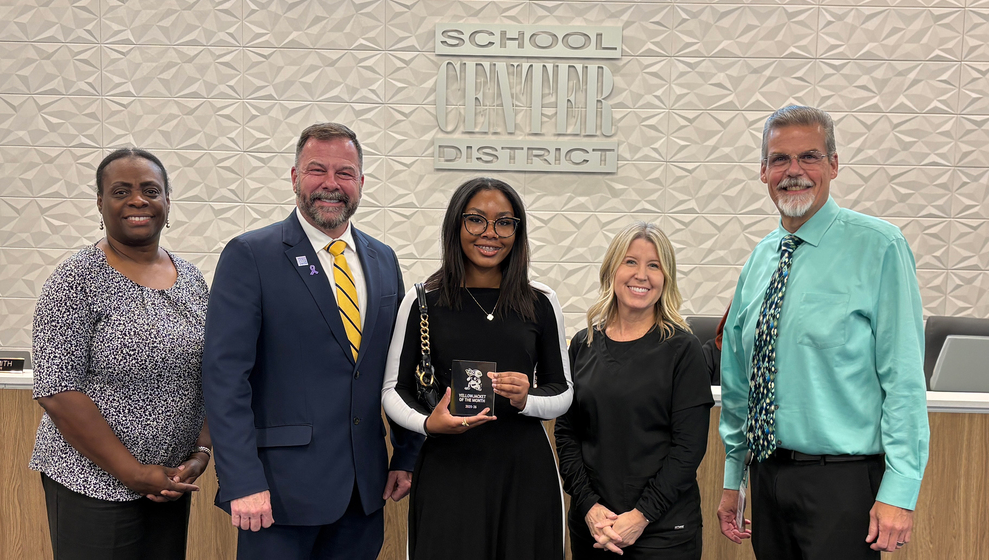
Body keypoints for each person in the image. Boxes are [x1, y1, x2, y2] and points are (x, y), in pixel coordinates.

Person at [716, 105, 930, 559]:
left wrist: (901, 490)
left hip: (844, 485)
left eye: (809, 156)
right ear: (763, 171)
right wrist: (734, 478)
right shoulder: (760, 258)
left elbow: (905, 381)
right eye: (779, 159)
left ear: (833, 165)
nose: (794, 172)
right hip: (768, 479)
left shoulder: (879, 247)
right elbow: (739, 382)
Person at [202, 122, 423, 560]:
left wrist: (405, 454)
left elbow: (396, 370)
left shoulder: (383, 260)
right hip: (277, 496)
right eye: (316, 170)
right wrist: (242, 480)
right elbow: (225, 378)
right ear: (294, 177)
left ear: (361, 182)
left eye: (344, 173)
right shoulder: (251, 255)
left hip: (363, 493)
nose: (330, 184)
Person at [30, 148, 211, 560]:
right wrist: (132, 473)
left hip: (168, 483)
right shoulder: (75, 280)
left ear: (168, 201)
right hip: (91, 484)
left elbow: (209, 371)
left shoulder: (192, 279)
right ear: (100, 202)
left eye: (151, 190)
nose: (138, 200)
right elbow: (57, 390)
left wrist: (200, 452)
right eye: (121, 191)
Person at [382, 177, 573, 560]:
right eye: (476, 220)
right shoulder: (423, 301)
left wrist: (527, 399)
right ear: (456, 225)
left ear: (517, 232)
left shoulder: (541, 301)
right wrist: (426, 424)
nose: (491, 233)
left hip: (524, 473)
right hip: (448, 470)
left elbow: (563, 390)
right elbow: (392, 390)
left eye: (504, 222)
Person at [555, 222, 713, 559]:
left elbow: (688, 448)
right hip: (594, 529)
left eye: (654, 265)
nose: (641, 275)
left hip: (663, 532)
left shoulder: (682, 349)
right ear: (612, 269)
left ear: (665, 277)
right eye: (630, 262)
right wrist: (588, 506)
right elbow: (568, 435)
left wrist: (641, 516)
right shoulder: (584, 344)